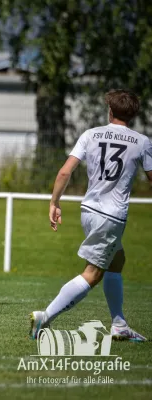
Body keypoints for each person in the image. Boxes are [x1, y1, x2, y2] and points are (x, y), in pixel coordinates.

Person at [30, 89, 152, 342]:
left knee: (116, 260)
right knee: (93, 274)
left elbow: (65, 172)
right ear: (133, 115)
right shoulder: (142, 142)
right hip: (112, 215)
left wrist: (55, 202)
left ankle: (119, 324)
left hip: (89, 211)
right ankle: (46, 316)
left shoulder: (90, 134)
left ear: (110, 110)